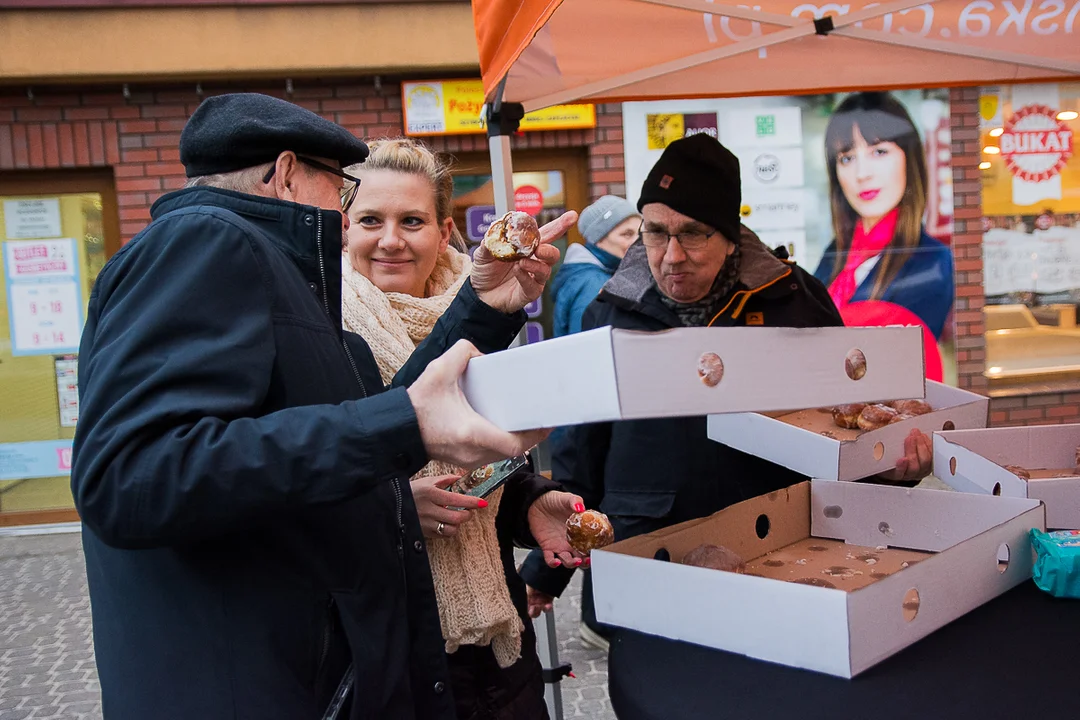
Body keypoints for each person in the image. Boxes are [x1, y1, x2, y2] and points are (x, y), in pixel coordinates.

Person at [71, 93, 576, 720]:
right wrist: (401, 433)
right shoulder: (207, 242)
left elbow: (377, 415)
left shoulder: (260, 266)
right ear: (286, 173)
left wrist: (481, 312)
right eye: (342, 192)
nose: (343, 219)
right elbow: (133, 475)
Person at [519, 133, 933, 653]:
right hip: (648, 546)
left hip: (772, 541)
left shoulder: (794, 300)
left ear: (731, 235)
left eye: (693, 234)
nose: (671, 256)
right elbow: (582, 442)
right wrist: (546, 567)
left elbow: (844, 423)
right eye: (655, 233)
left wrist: (892, 473)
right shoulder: (610, 309)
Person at [340, 138, 584, 719]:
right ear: (344, 227)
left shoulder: (488, 310)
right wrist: (395, 503)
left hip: (497, 654)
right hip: (387, 645)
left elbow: (491, 458)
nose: (391, 238)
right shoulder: (319, 326)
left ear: (445, 231)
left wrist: (530, 502)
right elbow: (317, 466)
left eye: (413, 220)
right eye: (371, 219)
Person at [813, 91, 955, 379]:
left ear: (909, 157)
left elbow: (901, 362)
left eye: (879, 152)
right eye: (847, 158)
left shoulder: (932, 261)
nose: (862, 173)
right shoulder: (835, 254)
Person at [551, 195, 640, 338]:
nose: (638, 241)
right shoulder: (595, 285)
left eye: (640, 233)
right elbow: (587, 347)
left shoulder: (591, 275)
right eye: (627, 234)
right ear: (599, 240)